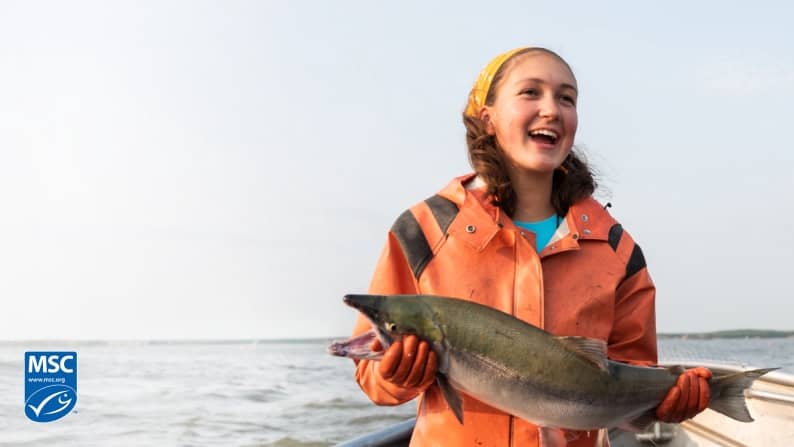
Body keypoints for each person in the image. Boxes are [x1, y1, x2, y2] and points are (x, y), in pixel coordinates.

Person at [350, 47, 711, 446]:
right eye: (530, 93)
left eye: (566, 98)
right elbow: (373, 382)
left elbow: (634, 369)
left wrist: (669, 401)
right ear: (486, 118)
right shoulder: (423, 231)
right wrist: (394, 374)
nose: (552, 109)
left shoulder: (617, 250)